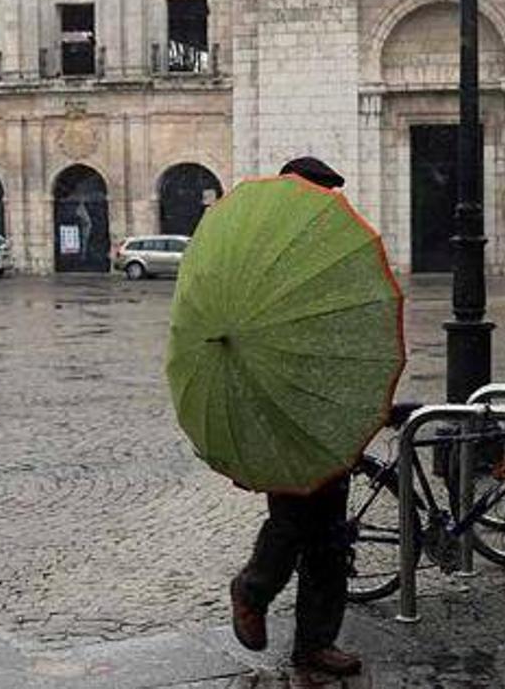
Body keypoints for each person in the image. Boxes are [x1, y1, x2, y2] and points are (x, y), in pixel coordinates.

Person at [229, 156, 363, 679]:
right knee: (292, 523)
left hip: (329, 410)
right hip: (282, 409)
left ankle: (314, 645)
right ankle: (253, 589)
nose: (329, 206)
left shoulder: (328, 255)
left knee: (330, 536)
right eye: (320, 195)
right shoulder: (263, 256)